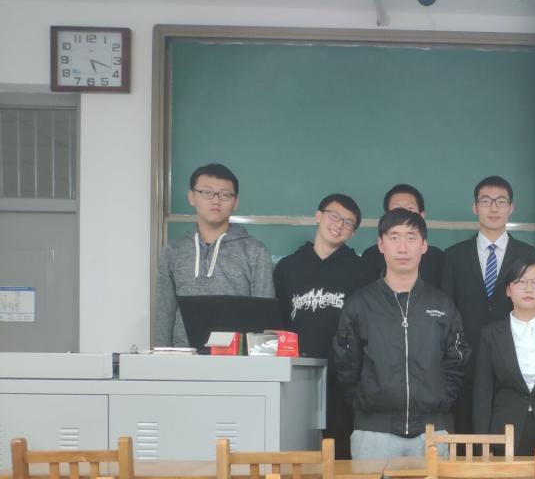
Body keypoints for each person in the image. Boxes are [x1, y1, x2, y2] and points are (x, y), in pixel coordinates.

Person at [333, 208, 469, 460]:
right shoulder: (360, 304)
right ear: (381, 244)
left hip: (432, 432)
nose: (403, 248)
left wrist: (441, 399)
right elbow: (346, 365)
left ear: (424, 245)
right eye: (394, 237)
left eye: (411, 237)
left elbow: (456, 362)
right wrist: (366, 400)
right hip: (373, 432)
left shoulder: (442, 305)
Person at [273, 193, 376, 458]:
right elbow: (278, 321)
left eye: (348, 222)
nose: (339, 224)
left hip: (343, 376)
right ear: (318, 216)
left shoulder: (362, 271)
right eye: (334, 216)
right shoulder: (287, 268)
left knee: (340, 451)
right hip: (297, 374)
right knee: (294, 449)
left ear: (353, 233)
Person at [442, 175, 535, 431]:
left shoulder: (530, 255)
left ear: (511, 207)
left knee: (510, 442)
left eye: (501, 201)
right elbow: (447, 314)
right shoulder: (453, 256)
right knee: (467, 441)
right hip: (466, 367)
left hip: (514, 367)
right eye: (486, 201)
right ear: (475, 207)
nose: (493, 208)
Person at [154, 163, 274, 348]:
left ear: (235, 202)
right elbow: (164, 312)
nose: (216, 200)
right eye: (207, 192)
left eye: (225, 194)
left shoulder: (255, 251)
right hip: (184, 357)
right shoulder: (173, 251)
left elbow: (264, 319)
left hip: (237, 358)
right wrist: (161, 356)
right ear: (192, 197)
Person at [473, 259, 535, 457]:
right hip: (503, 434)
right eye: (521, 282)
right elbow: (482, 394)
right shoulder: (491, 335)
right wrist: (483, 444)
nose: (529, 289)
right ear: (508, 290)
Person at [362, 184, 445, 288]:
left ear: (422, 215)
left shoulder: (437, 257)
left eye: (410, 208)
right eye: (396, 209)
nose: (403, 214)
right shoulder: (371, 256)